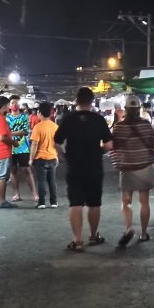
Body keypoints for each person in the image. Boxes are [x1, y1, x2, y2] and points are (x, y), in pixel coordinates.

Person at [54, 87, 113, 251]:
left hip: (74, 166)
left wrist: (64, 156)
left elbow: (56, 142)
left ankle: (77, 241)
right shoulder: (98, 119)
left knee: (75, 203)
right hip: (94, 166)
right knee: (94, 203)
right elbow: (109, 145)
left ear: (76, 100)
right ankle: (94, 236)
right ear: (92, 101)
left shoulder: (68, 119)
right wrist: (98, 152)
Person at [111, 95, 154, 246]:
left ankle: (129, 228)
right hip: (144, 166)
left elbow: (114, 147)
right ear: (139, 110)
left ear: (126, 109)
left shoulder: (118, 127)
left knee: (126, 202)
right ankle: (143, 233)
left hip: (127, 167)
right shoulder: (147, 125)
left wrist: (118, 162)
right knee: (144, 202)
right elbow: (153, 145)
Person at [6, 95, 37, 203]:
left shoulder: (24, 117)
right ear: (9, 105)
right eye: (12, 103)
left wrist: (10, 133)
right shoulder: (7, 118)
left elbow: (25, 131)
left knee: (27, 170)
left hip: (23, 148)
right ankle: (16, 194)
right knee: (13, 171)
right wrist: (10, 135)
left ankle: (34, 193)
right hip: (11, 148)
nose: (14, 105)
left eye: (16, 103)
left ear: (19, 104)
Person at [30, 102, 60, 209]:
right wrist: (56, 155)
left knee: (41, 181)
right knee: (52, 181)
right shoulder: (55, 126)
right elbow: (57, 143)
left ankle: (42, 203)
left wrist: (31, 159)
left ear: (40, 113)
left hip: (40, 159)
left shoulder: (37, 127)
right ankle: (54, 202)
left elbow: (34, 144)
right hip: (52, 158)